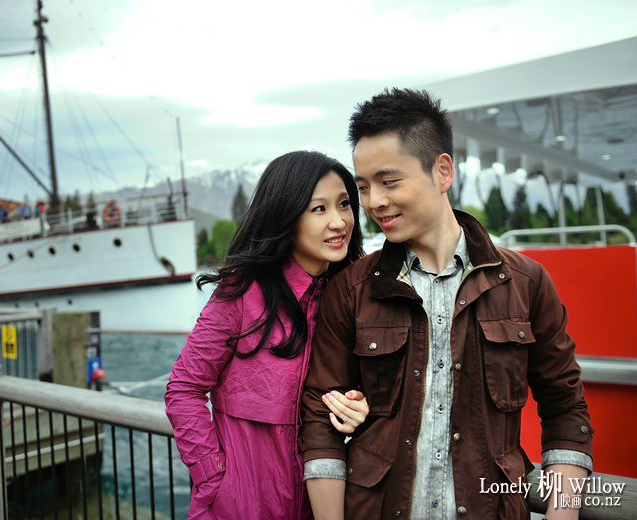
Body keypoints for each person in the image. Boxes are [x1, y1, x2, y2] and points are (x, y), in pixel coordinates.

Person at [300, 88, 593, 520]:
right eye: (363, 186)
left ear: (442, 171)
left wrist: (561, 516)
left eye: (389, 181)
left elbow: (566, 410)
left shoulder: (527, 283)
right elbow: (319, 420)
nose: (373, 201)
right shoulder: (350, 290)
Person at [165, 150, 368, 520]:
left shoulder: (356, 296)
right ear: (285, 215)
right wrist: (213, 478)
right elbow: (184, 389)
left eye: (344, 204)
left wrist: (358, 409)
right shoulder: (241, 293)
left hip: (321, 506)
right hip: (238, 508)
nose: (339, 221)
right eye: (319, 209)